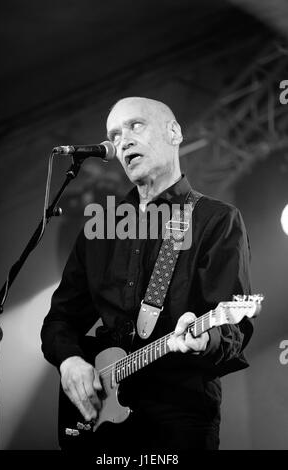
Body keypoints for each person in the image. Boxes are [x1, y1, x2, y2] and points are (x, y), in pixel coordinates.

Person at [41, 97, 253, 452]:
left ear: (174, 133)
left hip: (179, 413)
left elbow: (234, 325)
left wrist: (206, 340)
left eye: (135, 125)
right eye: (114, 133)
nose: (122, 139)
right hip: (101, 418)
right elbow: (60, 318)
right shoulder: (101, 225)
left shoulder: (216, 220)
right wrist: (71, 361)